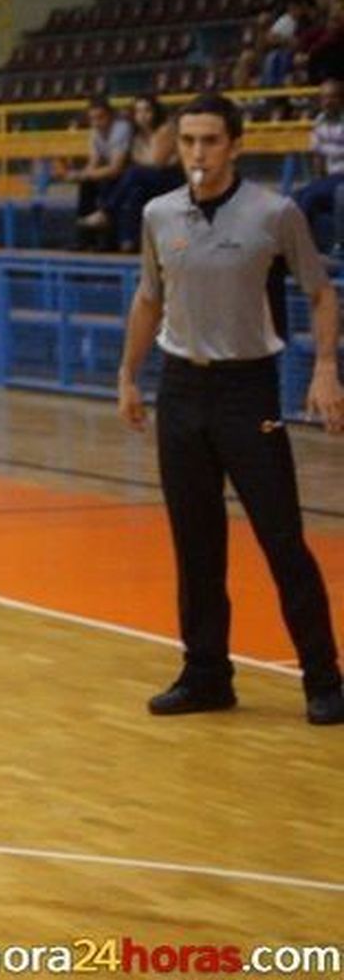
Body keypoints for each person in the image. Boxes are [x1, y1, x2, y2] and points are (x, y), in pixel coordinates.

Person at [117, 91, 344, 727]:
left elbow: (323, 295)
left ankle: (324, 679)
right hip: (181, 392)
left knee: (282, 540)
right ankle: (206, 674)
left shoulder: (276, 214)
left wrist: (326, 368)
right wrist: (128, 375)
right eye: (187, 141)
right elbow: (147, 300)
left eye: (210, 140)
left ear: (236, 145)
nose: (197, 152)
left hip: (249, 393)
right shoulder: (160, 215)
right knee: (195, 543)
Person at [77, 94, 183, 253]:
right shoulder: (137, 135)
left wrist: (142, 159)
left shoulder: (164, 130)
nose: (143, 116)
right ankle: (127, 242)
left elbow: (157, 163)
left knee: (132, 174)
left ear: (155, 112)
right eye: (138, 111)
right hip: (147, 179)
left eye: (147, 110)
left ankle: (106, 212)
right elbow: (139, 160)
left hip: (170, 179)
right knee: (133, 191)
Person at [56, 94, 132, 251]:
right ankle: (84, 237)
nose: (97, 123)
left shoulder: (121, 129)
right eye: (92, 119)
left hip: (129, 173)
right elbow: (94, 163)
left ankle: (106, 239)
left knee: (104, 181)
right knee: (87, 183)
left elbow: (116, 167)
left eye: (100, 117)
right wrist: (79, 176)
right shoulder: (95, 132)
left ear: (110, 115)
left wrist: (84, 174)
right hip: (112, 173)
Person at [290, 79, 344, 254]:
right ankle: (310, 247)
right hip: (330, 178)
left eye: (333, 97)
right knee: (297, 195)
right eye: (324, 98)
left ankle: (298, 248)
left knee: (310, 196)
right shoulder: (320, 121)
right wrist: (318, 179)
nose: (328, 102)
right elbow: (318, 156)